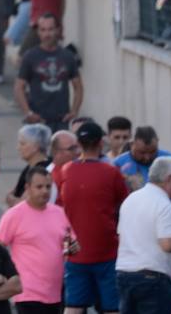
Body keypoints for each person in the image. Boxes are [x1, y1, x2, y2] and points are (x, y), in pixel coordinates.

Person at [116, 157, 171, 314]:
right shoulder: (164, 204)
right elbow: (169, 244)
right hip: (152, 278)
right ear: (169, 179)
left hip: (124, 274)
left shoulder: (131, 199)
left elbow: (121, 235)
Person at [60, 121, 130, 314]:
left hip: (74, 251)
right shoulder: (111, 172)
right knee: (111, 308)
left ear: (79, 144)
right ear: (101, 143)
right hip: (107, 250)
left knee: (73, 306)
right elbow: (125, 206)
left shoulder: (66, 171)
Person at [0, 165, 76, 314]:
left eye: (48, 186)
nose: (45, 191)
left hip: (55, 292)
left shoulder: (59, 213)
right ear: (28, 187)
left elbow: (71, 242)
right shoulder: (14, 215)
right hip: (27, 293)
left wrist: (73, 248)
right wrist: (9, 278)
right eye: (39, 187)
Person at [15, 15, 83, 132]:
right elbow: (18, 87)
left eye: (50, 29)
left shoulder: (67, 56)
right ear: (38, 32)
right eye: (43, 30)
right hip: (37, 121)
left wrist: (74, 111)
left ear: (57, 30)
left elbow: (78, 87)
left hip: (62, 122)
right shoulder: (30, 56)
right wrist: (28, 113)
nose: (47, 34)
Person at [114, 127, 171, 193]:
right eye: (142, 152)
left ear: (157, 142)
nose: (147, 157)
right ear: (132, 144)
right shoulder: (118, 164)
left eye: (152, 152)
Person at [6, 124, 53, 206]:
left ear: (35, 146)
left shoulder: (43, 169)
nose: (18, 148)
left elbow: (22, 204)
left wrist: (11, 199)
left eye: (22, 144)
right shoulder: (30, 167)